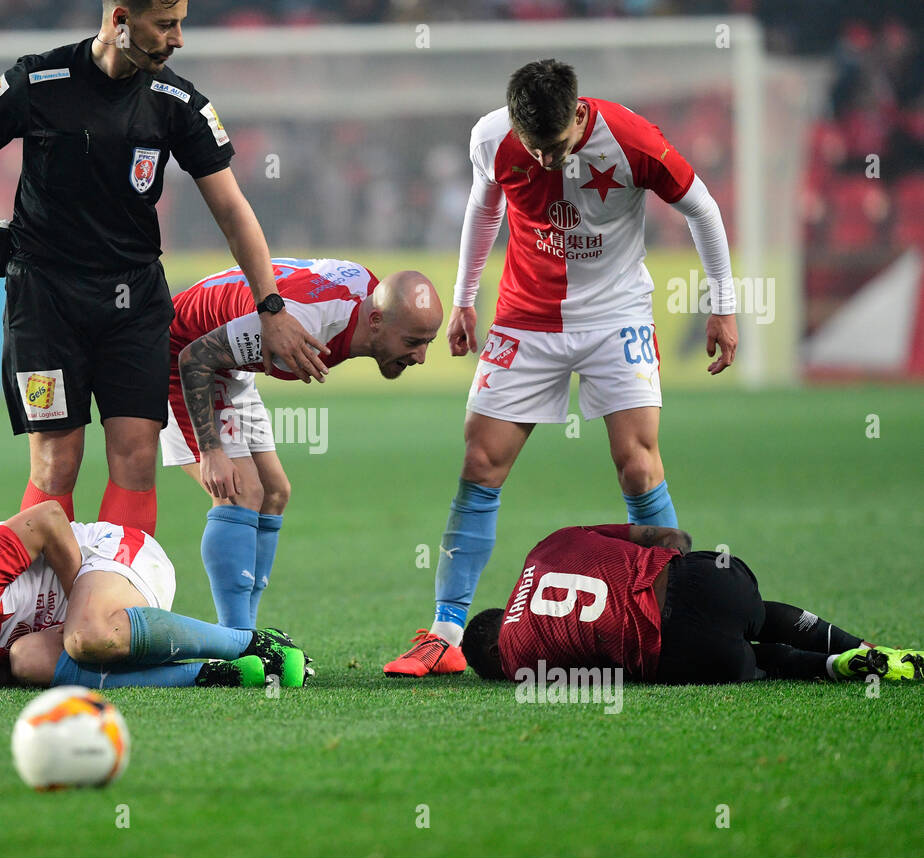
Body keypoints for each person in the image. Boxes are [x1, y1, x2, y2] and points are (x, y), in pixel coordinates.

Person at [0, 1, 329, 536]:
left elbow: (234, 212)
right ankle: (46, 608)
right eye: (166, 25)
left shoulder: (178, 103)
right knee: (56, 459)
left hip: (133, 301)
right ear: (121, 19)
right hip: (44, 298)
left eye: (181, 23)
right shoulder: (39, 80)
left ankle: (111, 604)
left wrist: (270, 305)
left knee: (136, 455)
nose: (179, 39)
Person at [386, 58, 740, 677]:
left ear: (579, 114)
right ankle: (444, 634)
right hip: (525, 318)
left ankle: (672, 622)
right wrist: (465, 299)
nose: (547, 162)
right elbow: (484, 209)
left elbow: (704, 211)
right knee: (479, 463)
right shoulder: (491, 136)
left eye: (556, 147)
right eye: (535, 148)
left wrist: (723, 307)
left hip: (616, 318)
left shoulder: (634, 141)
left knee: (638, 465)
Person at [163, 258, 443, 628]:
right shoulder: (300, 326)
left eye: (427, 343)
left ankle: (247, 632)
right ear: (375, 321)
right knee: (239, 492)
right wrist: (211, 451)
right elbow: (193, 359)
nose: (421, 357)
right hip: (179, 353)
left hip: (227, 359)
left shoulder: (367, 294)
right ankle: (234, 640)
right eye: (412, 342)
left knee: (274, 492)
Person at [0, 500, 309, 689]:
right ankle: (216, 675)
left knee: (85, 637)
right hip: (107, 616)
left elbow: (47, 518)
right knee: (28, 662)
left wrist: (80, 606)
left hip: (116, 554)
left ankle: (253, 641)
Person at [459, 523, 923, 684]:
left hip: (685, 647)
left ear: (497, 657)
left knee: (751, 657)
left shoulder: (519, 658)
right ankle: (866, 647)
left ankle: (836, 666)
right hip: (711, 578)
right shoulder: (548, 544)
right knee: (759, 613)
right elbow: (671, 538)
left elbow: (606, 673)